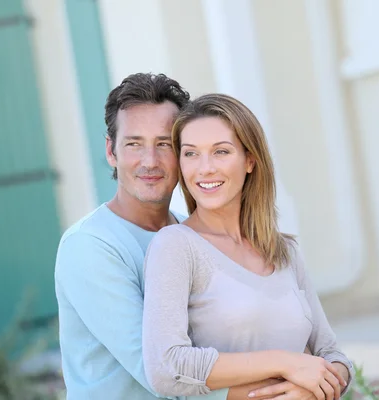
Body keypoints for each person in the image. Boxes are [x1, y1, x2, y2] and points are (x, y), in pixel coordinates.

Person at [54, 74, 283, 400]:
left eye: (164, 144)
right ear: (111, 151)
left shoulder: (192, 237)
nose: (150, 161)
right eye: (134, 144)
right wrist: (283, 383)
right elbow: (162, 374)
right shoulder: (90, 247)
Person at [142, 93, 354, 400]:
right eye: (190, 154)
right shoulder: (175, 246)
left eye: (221, 152)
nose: (205, 169)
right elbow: (166, 367)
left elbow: (332, 353)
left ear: (250, 160)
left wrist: (311, 389)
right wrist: (286, 364)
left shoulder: (283, 251)